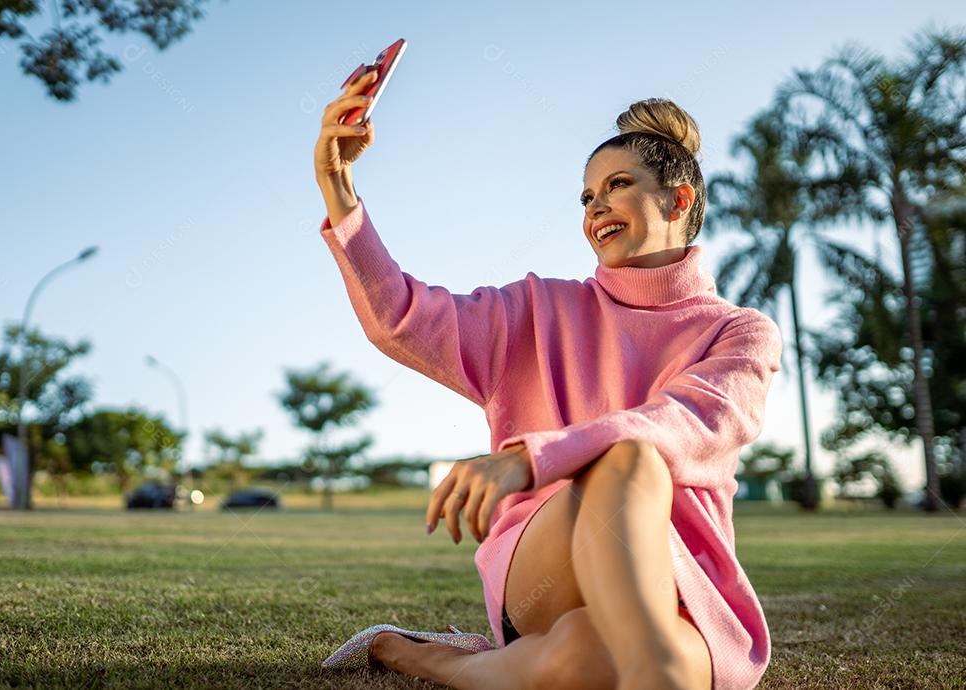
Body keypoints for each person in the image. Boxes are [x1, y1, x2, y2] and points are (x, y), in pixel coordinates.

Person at [313, 68, 782, 690]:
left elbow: (684, 423)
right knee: (628, 464)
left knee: (589, 657)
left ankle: (420, 656)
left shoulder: (742, 333)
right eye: (587, 197)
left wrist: (531, 458)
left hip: (682, 587)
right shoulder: (535, 310)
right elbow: (402, 317)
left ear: (678, 200)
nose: (596, 208)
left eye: (617, 185)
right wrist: (338, 188)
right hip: (545, 563)